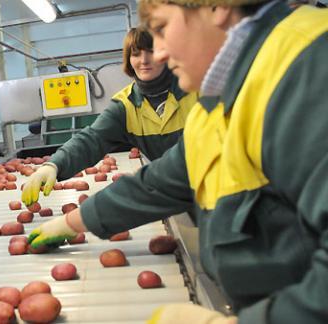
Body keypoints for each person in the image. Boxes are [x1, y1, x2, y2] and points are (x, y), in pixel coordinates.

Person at [28, 0, 328, 323]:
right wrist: (72, 222)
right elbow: (157, 184)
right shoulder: (217, 103)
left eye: (161, 28)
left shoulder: (307, 67)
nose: (156, 54)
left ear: (217, 6)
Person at [21, 27, 197, 206]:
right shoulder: (126, 105)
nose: (143, 60)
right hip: (178, 194)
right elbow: (91, 139)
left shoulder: (196, 91)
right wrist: (53, 165)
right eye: (136, 54)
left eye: (151, 52)